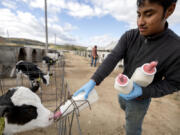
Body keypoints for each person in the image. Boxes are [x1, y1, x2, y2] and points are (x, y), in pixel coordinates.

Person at [73, 0, 180, 135]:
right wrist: (94, 80)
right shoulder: (130, 36)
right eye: (138, 14)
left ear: (170, 10)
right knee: (124, 109)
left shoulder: (175, 48)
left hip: (139, 100)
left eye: (148, 14)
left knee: (132, 129)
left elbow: (174, 83)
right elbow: (112, 58)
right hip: (122, 92)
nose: (140, 22)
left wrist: (143, 91)